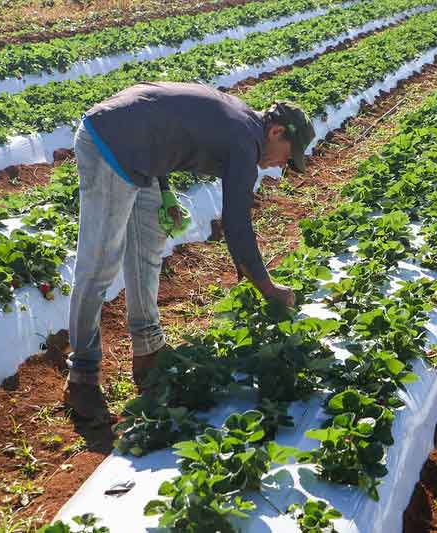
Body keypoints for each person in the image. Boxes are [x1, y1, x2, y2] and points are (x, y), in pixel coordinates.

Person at [65, 81, 315, 420]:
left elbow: (166, 124)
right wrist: (268, 288)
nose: (279, 166)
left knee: (148, 249)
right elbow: (237, 224)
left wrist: (164, 190)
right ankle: (82, 379)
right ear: (276, 131)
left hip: (141, 151)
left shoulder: (242, 123)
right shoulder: (245, 141)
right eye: (287, 156)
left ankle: (149, 350)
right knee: (100, 264)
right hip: (111, 142)